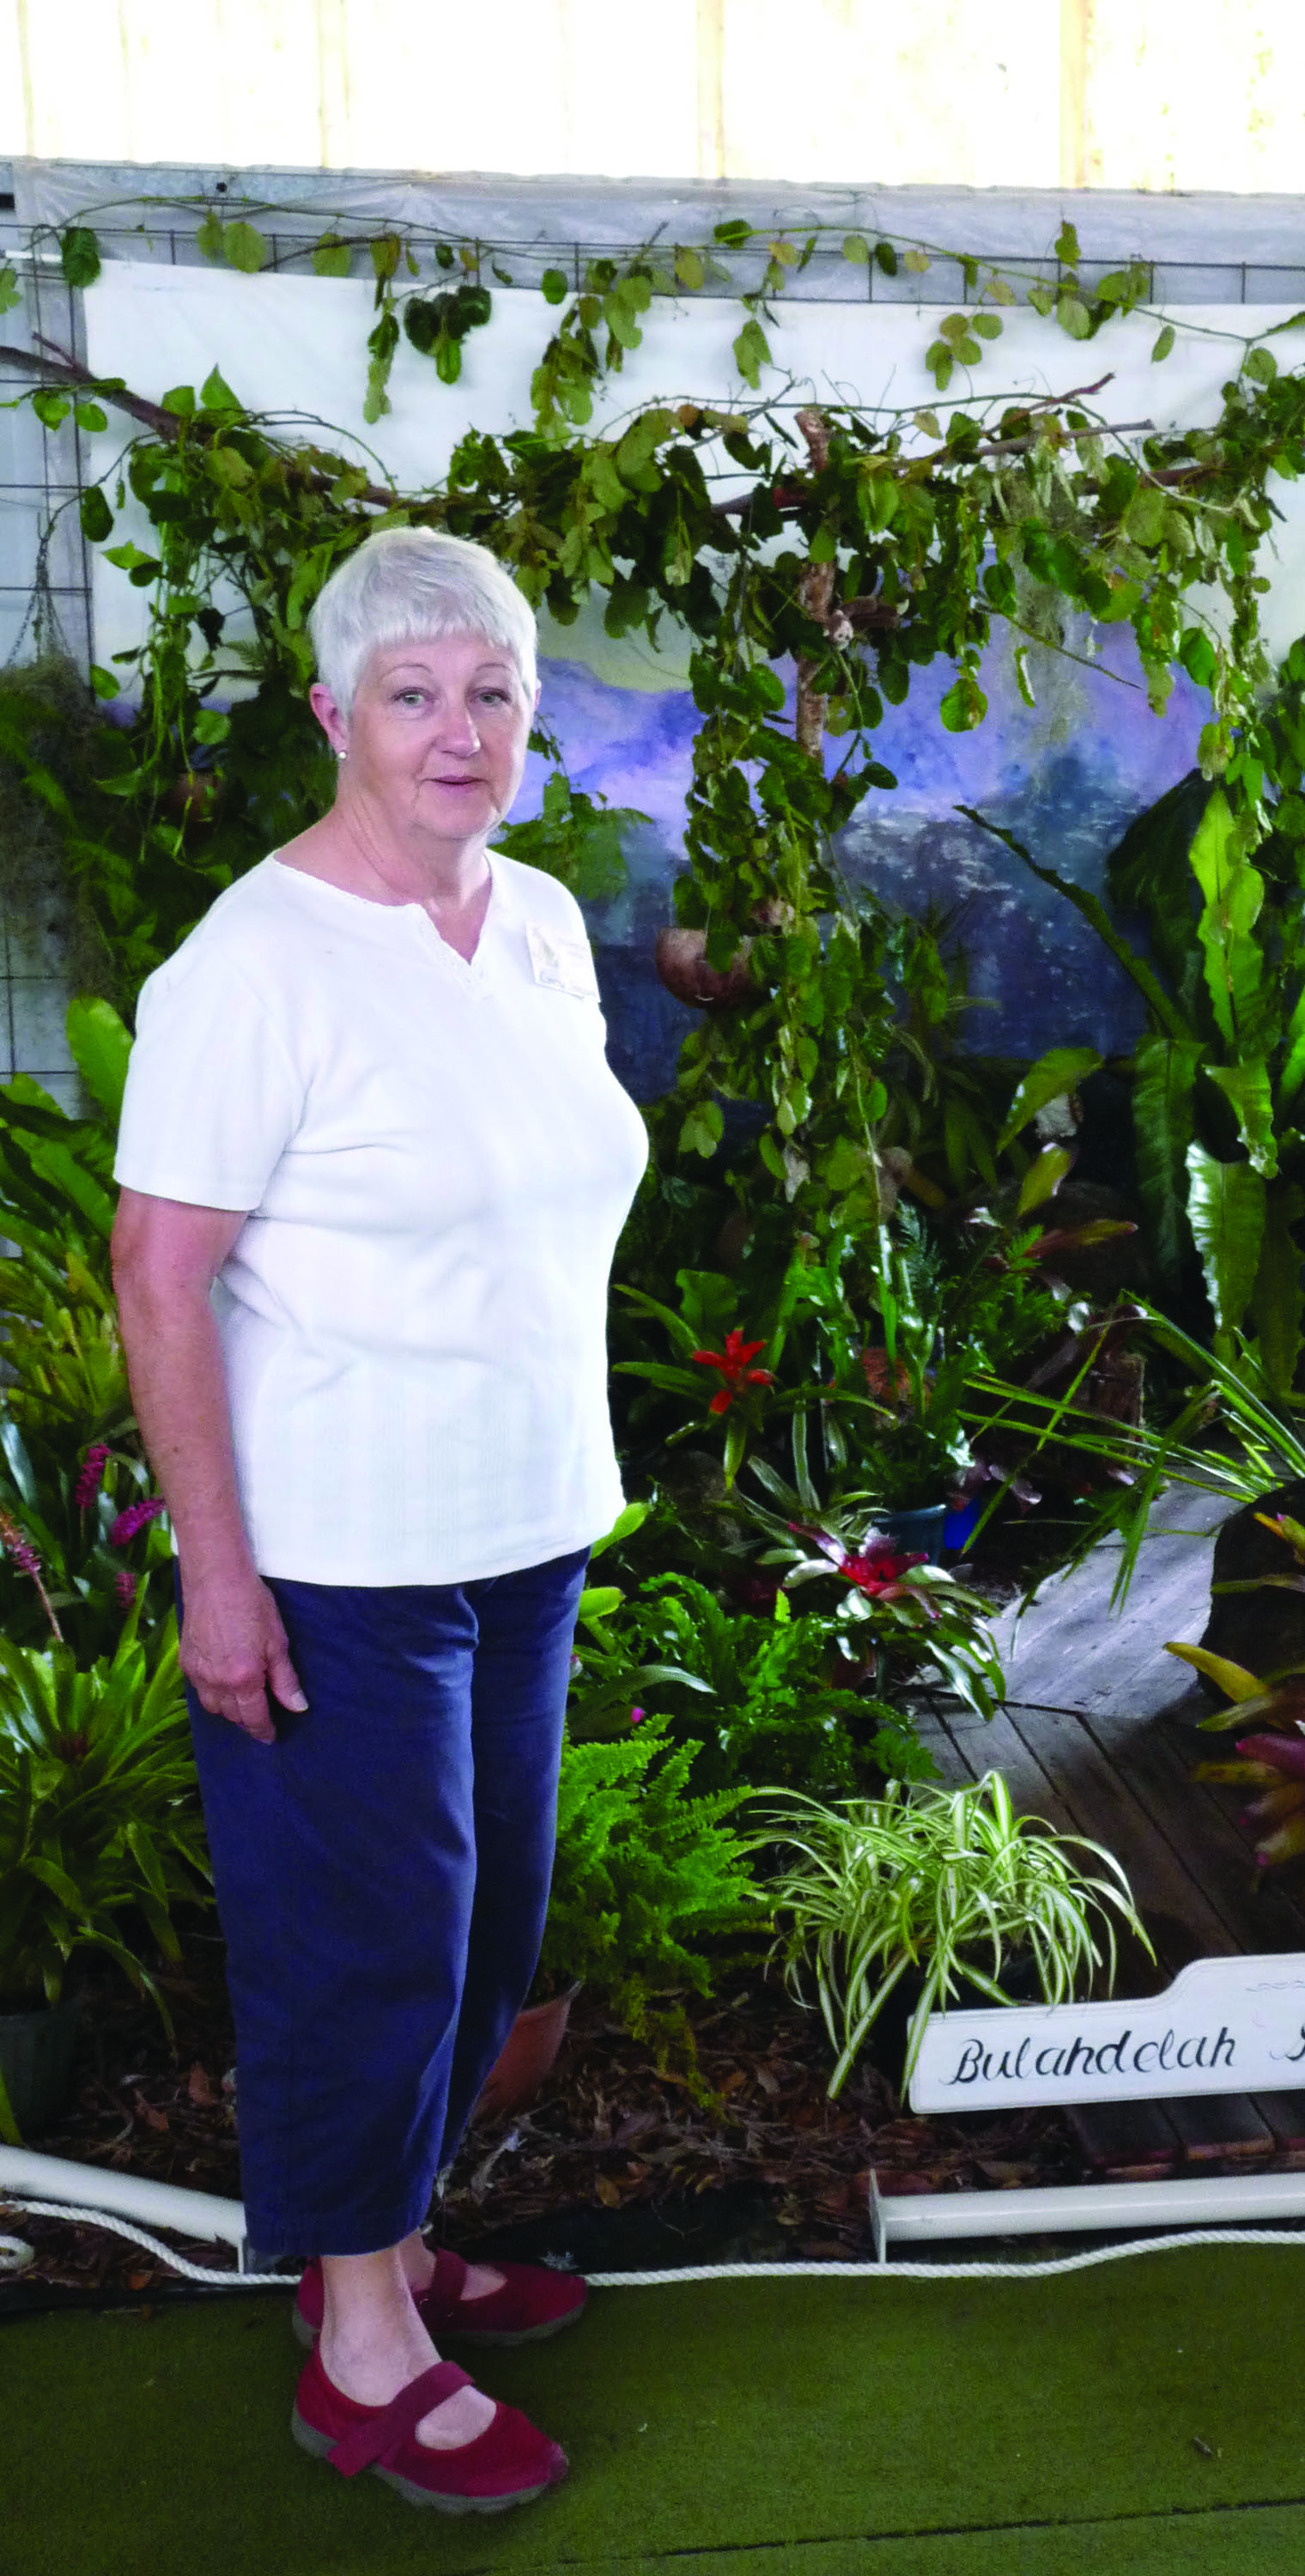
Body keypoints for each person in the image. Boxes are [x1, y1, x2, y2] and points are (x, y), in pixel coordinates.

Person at [112, 526, 648, 2514]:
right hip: (342, 1563)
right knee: (372, 1948)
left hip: (525, 1536)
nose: (457, 730)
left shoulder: (533, 926)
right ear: (333, 715)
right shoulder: (249, 965)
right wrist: (219, 1583)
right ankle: (359, 2342)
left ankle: (402, 2245)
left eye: (491, 690)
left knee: (489, 1926)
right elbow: (158, 1276)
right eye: (412, 695)